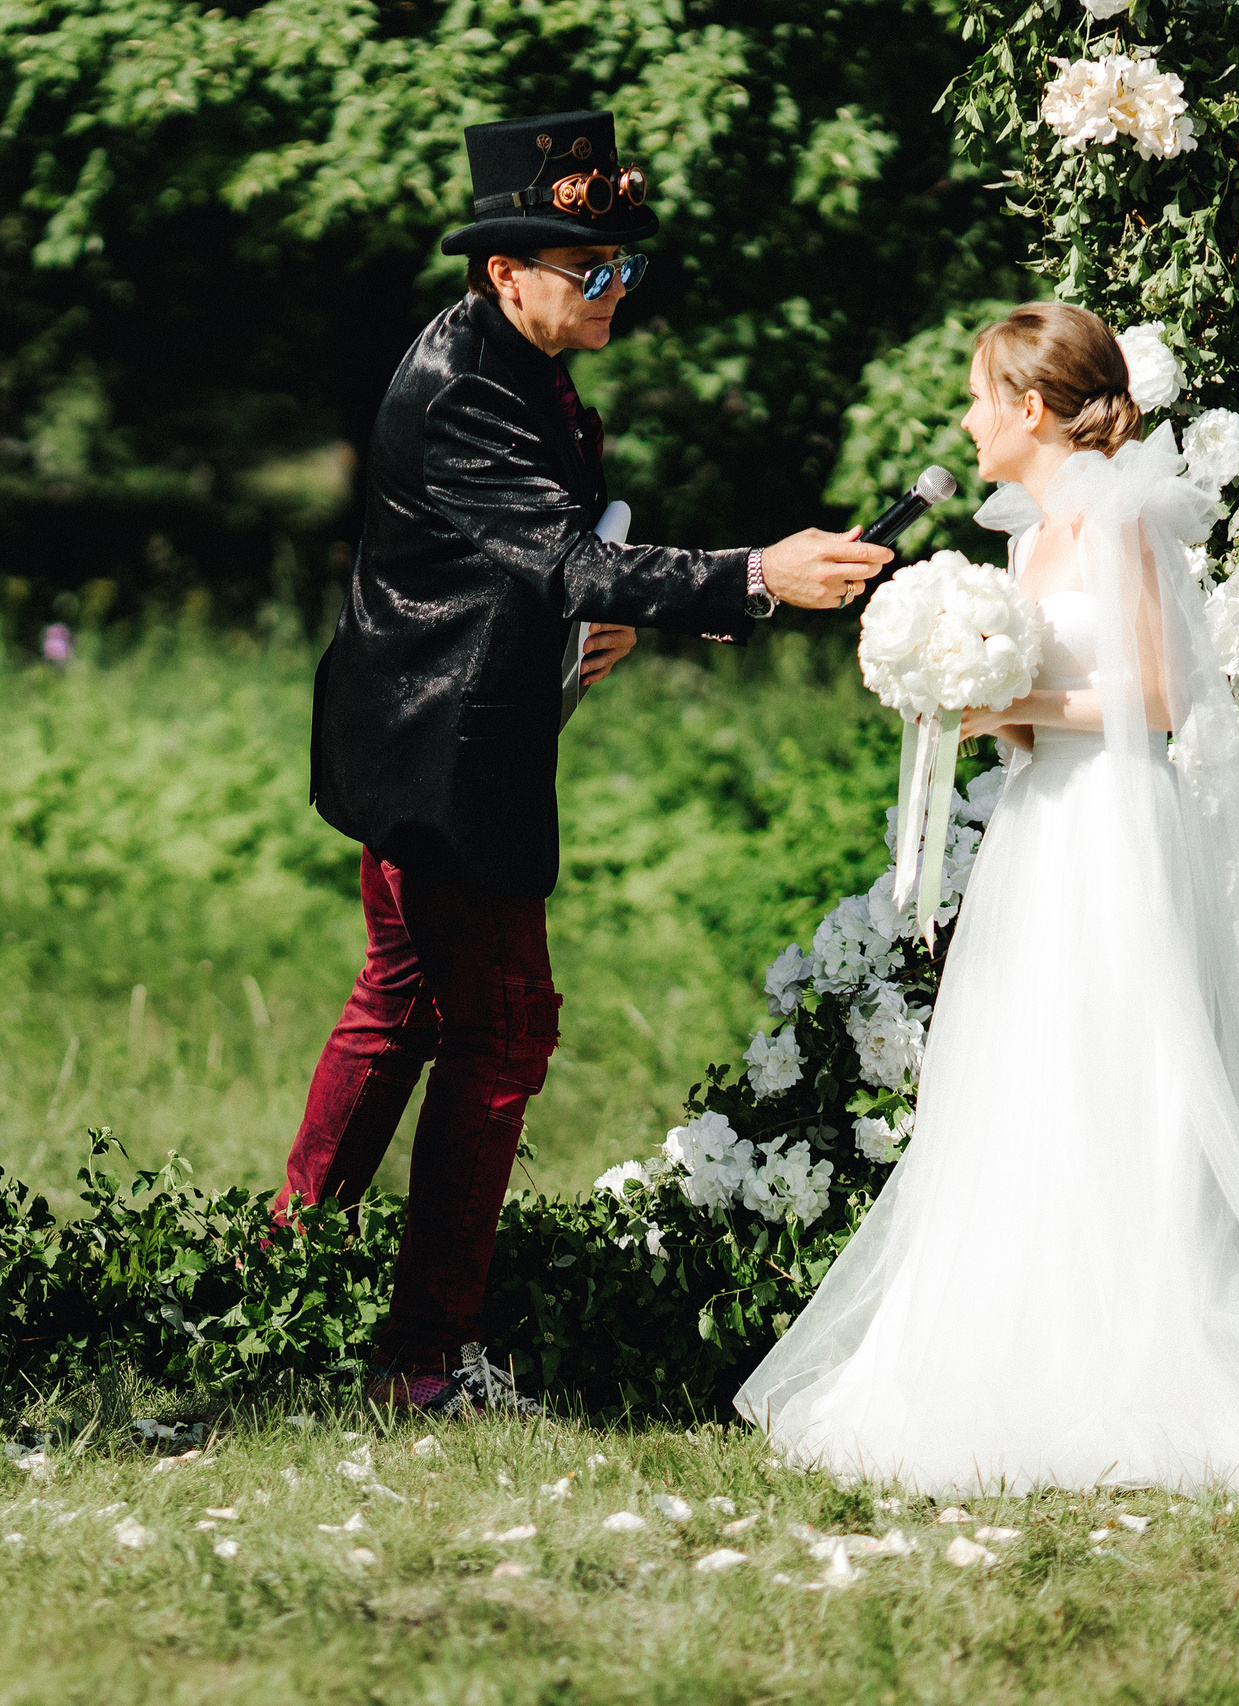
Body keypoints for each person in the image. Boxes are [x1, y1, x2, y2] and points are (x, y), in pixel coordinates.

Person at [735, 304, 1239, 1493]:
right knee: (1027, 1065)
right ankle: (1026, 1337)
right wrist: (995, 709)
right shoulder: (1027, 533)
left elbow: (1161, 696)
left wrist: (1009, 706)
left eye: (976, 397)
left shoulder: (1113, 516)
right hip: (1039, 823)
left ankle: (1143, 1346)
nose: (964, 420)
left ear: (1028, 406)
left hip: (1110, 820)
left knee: (1118, 1061)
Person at [288, 110, 894, 1418]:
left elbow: (541, 559)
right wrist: (755, 575)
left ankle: (294, 1274)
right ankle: (419, 1357)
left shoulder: (520, 360)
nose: (619, 290)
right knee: (502, 1031)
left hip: (444, 723)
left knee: (402, 1001)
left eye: (627, 265)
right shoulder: (467, 386)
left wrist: (595, 619)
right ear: (507, 271)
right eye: (592, 269)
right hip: (442, 754)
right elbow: (566, 557)